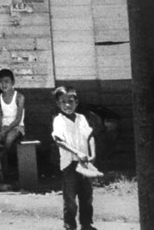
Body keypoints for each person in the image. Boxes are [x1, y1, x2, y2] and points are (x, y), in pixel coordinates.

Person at [52, 86, 98, 230]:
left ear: (76, 102)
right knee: (70, 198)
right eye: (63, 102)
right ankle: (69, 224)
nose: (67, 105)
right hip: (69, 165)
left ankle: (86, 223)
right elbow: (59, 141)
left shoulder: (81, 119)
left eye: (70, 101)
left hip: (84, 164)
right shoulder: (58, 120)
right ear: (58, 104)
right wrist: (77, 152)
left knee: (87, 196)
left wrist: (93, 154)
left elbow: (90, 136)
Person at [0, 68, 25, 188]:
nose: (4, 84)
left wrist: (4, 132)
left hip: (17, 126)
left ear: (13, 82)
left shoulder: (19, 97)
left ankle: (3, 159)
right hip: (2, 126)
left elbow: (18, 119)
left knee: (8, 140)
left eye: (7, 81)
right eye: (1, 82)